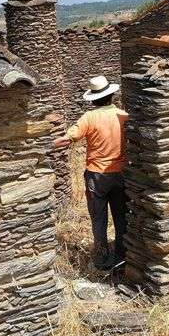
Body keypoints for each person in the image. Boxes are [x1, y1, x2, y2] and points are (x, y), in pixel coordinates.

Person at [54, 75, 129, 270]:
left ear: (93, 100)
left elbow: (66, 140)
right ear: (111, 95)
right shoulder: (123, 116)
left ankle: (103, 259)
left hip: (97, 176)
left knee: (99, 218)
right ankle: (122, 257)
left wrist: (42, 144)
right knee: (121, 218)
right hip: (121, 173)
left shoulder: (88, 118)